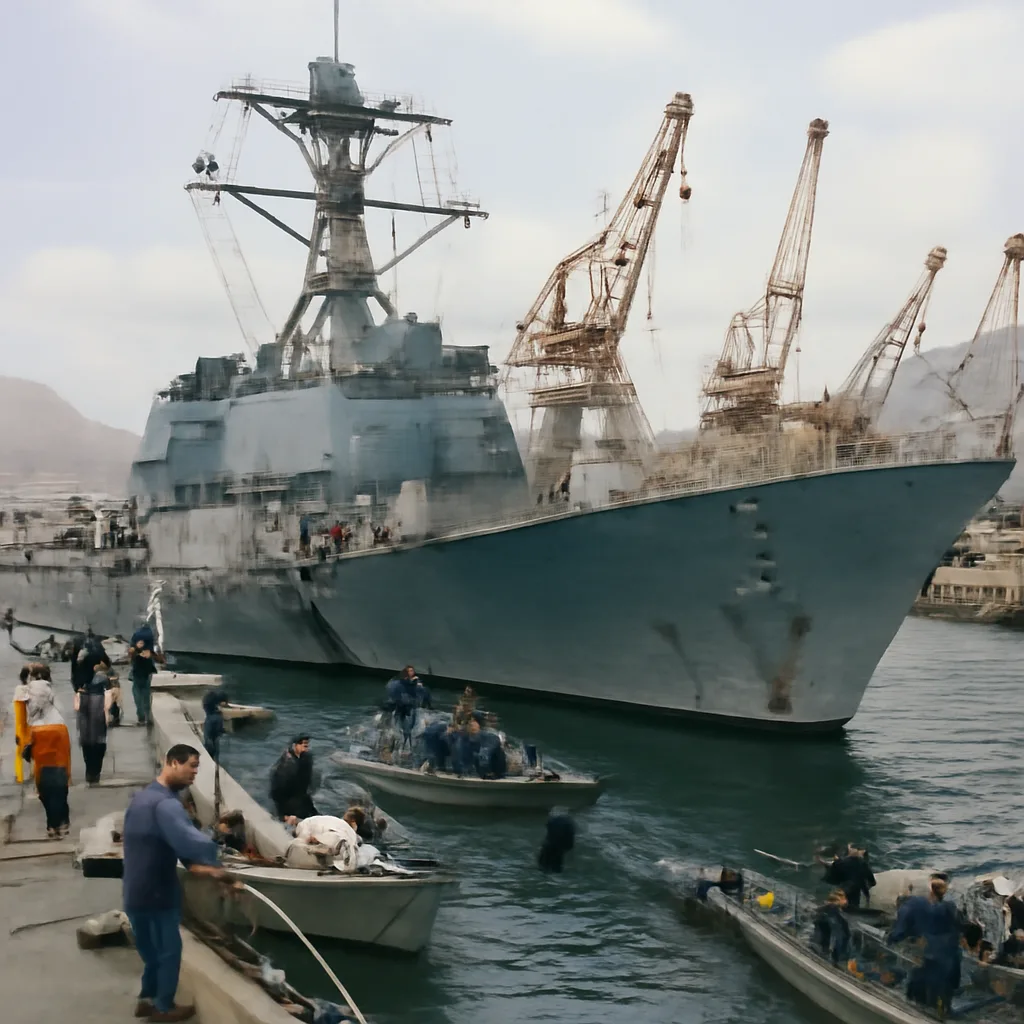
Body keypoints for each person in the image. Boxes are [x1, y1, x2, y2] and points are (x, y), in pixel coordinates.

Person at [123, 743, 231, 1022]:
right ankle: (163, 1007)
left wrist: (205, 870)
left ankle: (147, 998)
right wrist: (217, 863)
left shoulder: (142, 798)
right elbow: (192, 843)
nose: (195, 773)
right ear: (172, 762)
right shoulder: (166, 805)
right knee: (169, 952)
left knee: (151, 952)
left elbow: (177, 851)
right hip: (159, 893)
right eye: (192, 766)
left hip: (135, 890)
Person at [888, 876, 962, 1012]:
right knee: (943, 998)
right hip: (950, 960)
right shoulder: (950, 908)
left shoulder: (913, 907)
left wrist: (891, 940)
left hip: (929, 959)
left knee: (918, 995)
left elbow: (900, 932)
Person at [25, 667, 72, 838]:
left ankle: (52, 824)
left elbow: (27, 714)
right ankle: (62, 822)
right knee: (60, 780)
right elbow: (62, 710)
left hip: (39, 733)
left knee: (43, 784)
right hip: (58, 730)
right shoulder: (51, 690)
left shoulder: (27, 691)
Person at [269, 735, 319, 820]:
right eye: (304, 746)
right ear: (295, 745)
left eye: (307, 746)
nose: (306, 749)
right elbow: (278, 789)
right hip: (289, 800)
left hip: (302, 795)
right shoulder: (287, 764)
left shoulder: (306, 758)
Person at [383, 666, 432, 746]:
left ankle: (407, 743)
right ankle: (399, 742)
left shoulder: (415, 682)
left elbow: (422, 692)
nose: (411, 672)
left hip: (411, 707)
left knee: (409, 727)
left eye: (412, 671)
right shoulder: (399, 683)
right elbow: (393, 690)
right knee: (399, 726)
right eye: (409, 671)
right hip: (401, 707)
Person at [77, 668, 110, 784]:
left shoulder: (81, 693)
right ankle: (95, 774)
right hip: (99, 731)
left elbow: (77, 709)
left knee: (88, 750)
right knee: (98, 750)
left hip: (85, 732)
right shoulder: (104, 695)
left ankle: (90, 773)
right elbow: (107, 710)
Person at [818, 843, 876, 910]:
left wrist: (822, 861)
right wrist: (866, 891)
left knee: (836, 904)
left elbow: (833, 867)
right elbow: (872, 882)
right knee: (852, 907)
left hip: (843, 890)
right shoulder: (864, 865)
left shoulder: (842, 862)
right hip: (853, 893)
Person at [811, 890, 851, 965]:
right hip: (826, 927)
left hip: (834, 930)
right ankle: (829, 955)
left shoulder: (838, 910)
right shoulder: (830, 907)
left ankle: (833, 957)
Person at [130, 643, 159, 727]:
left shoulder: (137, 658)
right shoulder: (148, 660)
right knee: (145, 700)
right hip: (144, 680)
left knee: (139, 700)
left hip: (139, 680)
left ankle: (142, 718)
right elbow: (153, 670)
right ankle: (147, 718)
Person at [13, 664, 31, 784]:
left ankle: (20, 776)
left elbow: (18, 715)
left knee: (20, 752)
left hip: (22, 728)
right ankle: (33, 773)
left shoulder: (19, 690)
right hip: (31, 726)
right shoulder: (32, 689)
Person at [201, 688, 229, 760]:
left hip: (210, 723)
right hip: (214, 726)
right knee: (214, 744)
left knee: (209, 741)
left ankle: (210, 757)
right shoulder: (217, 716)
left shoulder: (209, 702)